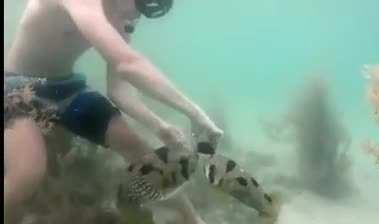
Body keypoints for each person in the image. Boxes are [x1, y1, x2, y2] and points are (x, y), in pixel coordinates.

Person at [4, 0, 223, 223]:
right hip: (16, 88)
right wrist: (195, 114)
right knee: (26, 174)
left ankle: (192, 220)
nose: (135, 14)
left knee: (144, 155)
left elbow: (119, 89)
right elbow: (128, 64)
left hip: (68, 89)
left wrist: (159, 125)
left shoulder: (122, 14)